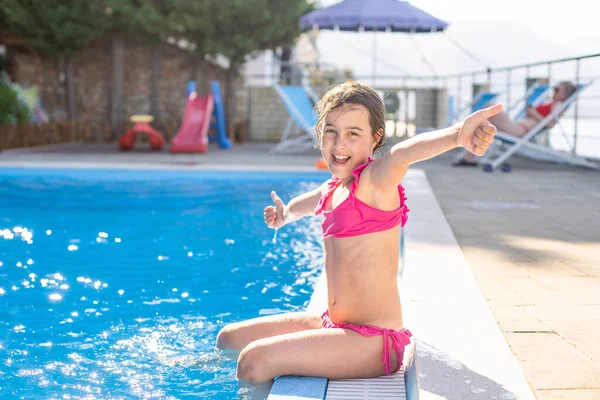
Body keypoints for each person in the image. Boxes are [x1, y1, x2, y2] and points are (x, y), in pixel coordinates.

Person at [216, 81, 501, 382]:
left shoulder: (374, 181)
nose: (339, 145)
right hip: (334, 326)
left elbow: (403, 154)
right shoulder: (331, 190)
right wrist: (284, 215)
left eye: (353, 134)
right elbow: (305, 205)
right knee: (229, 338)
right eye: (331, 131)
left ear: (375, 138)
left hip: (375, 342)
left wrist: (457, 135)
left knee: (254, 361)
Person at [454, 81, 577, 166]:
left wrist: (532, 112)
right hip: (516, 126)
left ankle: (470, 157)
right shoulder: (550, 103)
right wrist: (532, 112)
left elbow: (549, 124)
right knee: (482, 122)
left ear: (565, 94)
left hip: (519, 130)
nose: (554, 91)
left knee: (489, 108)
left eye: (558, 89)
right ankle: (470, 158)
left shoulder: (558, 105)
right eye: (554, 88)